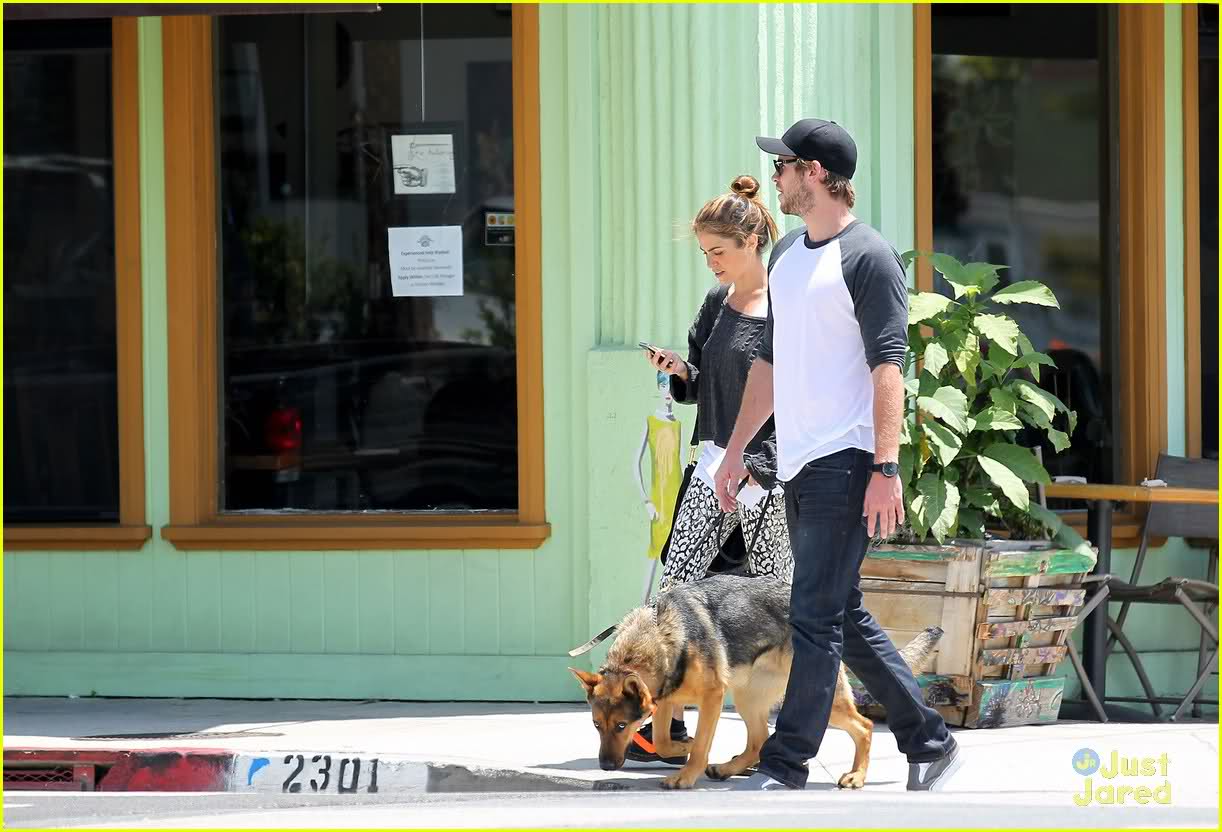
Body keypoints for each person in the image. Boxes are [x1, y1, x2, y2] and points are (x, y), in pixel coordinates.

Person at [715, 119, 963, 792]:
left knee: (814, 614)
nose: (775, 176)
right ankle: (930, 740)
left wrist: (887, 468)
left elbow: (890, 369)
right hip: (797, 461)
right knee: (840, 611)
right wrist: (737, 450)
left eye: (785, 165)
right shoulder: (789, 254)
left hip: (847, 459)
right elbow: (770, 361)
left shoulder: (869, 257)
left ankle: (786, 762)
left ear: (816, 173)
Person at [629, 174, 796, 766]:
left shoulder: (787, 305)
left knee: (781, 599)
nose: (711, 265)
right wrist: (679, 369)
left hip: (765, 475)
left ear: (752, 241)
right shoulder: (715, 304)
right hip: (711, 463)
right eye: (704, 254)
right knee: (675, 592)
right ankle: (664, 725)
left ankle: (784, 734)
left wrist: (761, 465)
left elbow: (796, 395)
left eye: (717, 253)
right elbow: (703, 388)